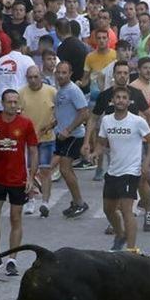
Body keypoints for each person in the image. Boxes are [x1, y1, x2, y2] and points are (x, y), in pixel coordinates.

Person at [89, 86, 150, 253]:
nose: (120, 100)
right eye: (117, 97)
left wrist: (145, 163)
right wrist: (94, 153)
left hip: (131, 172)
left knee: (127, 210)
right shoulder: (106, 120)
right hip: (113, 171)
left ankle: (131, 250)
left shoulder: (137, 121)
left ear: (129, 101)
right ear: (112, 100)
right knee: (108, 209)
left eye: (124, 97)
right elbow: (101, 143)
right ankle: (120, 235)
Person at [0, 89, 38, 275]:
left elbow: (34, 151)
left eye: (15, 102)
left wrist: (31, 177)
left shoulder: (26, 124)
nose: (13, 105)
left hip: (17, 179)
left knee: (15, 218)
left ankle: (12, 259)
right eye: (9, 102)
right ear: (2, 104)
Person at [18, 65, 58, 218]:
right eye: (30, 78)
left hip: (46, 138)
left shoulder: (51, 92)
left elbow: (57, 115)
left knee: (45, 170)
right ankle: (30, 199)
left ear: (41, 77)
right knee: (29, 172)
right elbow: (18, 116)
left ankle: (45, 202)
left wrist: (48, 127)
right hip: (29, 140)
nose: (33, 80)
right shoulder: (21, 93)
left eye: (36, 77)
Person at [53, 61, 91, 218]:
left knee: (64, 169)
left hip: (74, 136)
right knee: (66, 170)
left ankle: (80, 203)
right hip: (62, 134)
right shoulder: (60, 91)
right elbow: (63, 113)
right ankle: (76, 202)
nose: (61, 75)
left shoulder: (73, 90)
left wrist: (68, 130)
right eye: (59, 72)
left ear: (70, 74)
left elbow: (84, 113)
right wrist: (51, 125)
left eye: (64, 73)